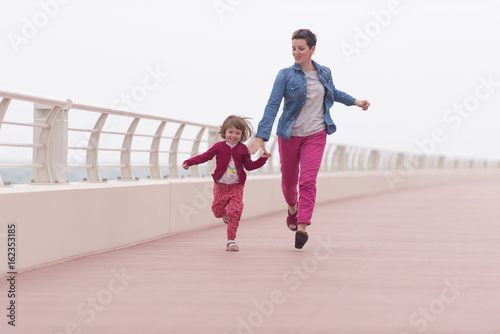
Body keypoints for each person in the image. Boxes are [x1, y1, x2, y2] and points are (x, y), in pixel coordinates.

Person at [249, 29, 370, 249]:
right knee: (288, 184)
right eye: (294, 48)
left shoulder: (324, 72)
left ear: (312, 49)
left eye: (301, 48)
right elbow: (273, 105)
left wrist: (355, 101)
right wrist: (261, 135)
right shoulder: (284, 75)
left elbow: (333, 92)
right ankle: (292, 210)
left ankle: (302, 228)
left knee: (307, 181)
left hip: (316, 134)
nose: (296, 52)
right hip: (289, 135)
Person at [183, 115, 271, 252]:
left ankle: (231, 241)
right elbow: (205, 156)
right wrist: (189, 162)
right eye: (230, 132)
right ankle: (224, 215)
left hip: (237, 186)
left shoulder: (242, 149)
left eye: (237, 133)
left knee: (235, 210)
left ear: (242, 135)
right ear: (224, 132)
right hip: (221, 186)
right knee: (217, 211)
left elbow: (249, 166)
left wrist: (262, 159)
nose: (233, 135)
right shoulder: (218, 146)